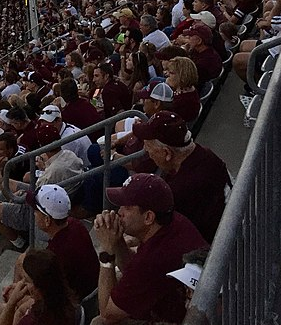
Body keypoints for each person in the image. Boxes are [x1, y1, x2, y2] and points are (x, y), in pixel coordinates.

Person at [93, 173, 208, 324]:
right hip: (174, 302)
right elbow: (131, 269)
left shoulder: (154, 259)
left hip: (175, 319)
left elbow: (108, 315)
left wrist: (106, 251)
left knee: (98, 322)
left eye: (127, 207)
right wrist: (117, 238)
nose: (119, 212)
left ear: (148, 217)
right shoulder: (172, 222)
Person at [132, 111, 230, 242]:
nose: (147, 152)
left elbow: (163, 238)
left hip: (218, 248)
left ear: (167, 153)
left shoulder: (181, 190)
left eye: (148, 146)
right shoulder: (204, 154)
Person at [0, 249, 80, 325]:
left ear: (37, 288)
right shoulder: (61, 294)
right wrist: (19, 311)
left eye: (26, 280)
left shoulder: (35, 320)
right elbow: (27, 307)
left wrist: (12, 302)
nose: (22, 283)